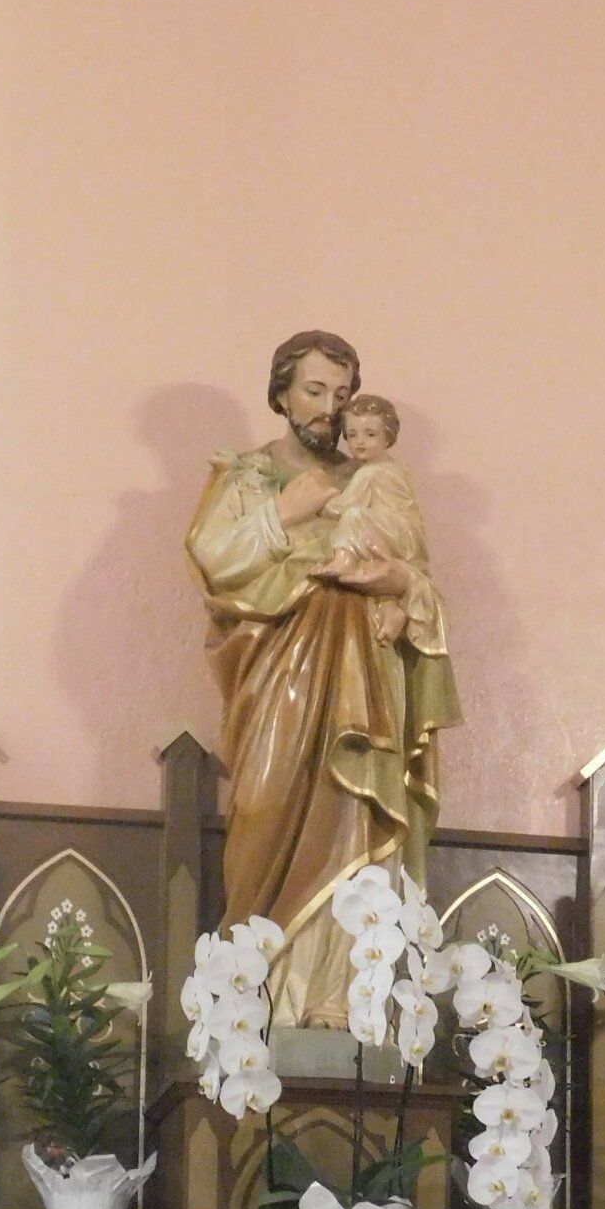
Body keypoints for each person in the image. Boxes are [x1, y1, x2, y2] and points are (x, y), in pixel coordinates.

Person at [185, 332, 460, 1028]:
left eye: (341, 395)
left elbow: (420, 581)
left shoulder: (377, 481)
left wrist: (398, 584)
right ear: (281, 394)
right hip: (277, 676)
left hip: (364, 682)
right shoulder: (247, 476)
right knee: (263, 807)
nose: (329, 408)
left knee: (354, 815)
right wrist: (285, 512)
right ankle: (259, 997)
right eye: (314, 390)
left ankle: (334, 995)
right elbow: (214, 560)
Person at [318, 395, 449, 661]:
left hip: (397, 530)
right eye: (352, 435)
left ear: (388, 437)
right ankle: (390, 608)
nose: (359, 442)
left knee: (354, 517)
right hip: (403, 533)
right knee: (373, 564)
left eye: (370, 434)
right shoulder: (393, 466)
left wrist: (319, 502)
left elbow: (342, 507)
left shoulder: (370, 472)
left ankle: (344, 559)